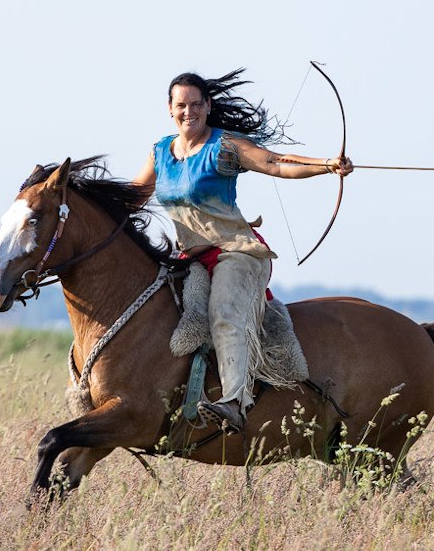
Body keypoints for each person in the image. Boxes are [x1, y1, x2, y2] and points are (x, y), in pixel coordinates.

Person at [132, 69, 353, 434]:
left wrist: (326, 165)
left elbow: (275, 163)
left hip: (236, 253)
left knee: (224, 313)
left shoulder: (224, 146)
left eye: (196, 104)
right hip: (190, 259)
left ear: (207, 106)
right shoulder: (160, 152)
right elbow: (135, 194)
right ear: (170, 109)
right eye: (181, 105)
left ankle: (234, 401)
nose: (189, 112)